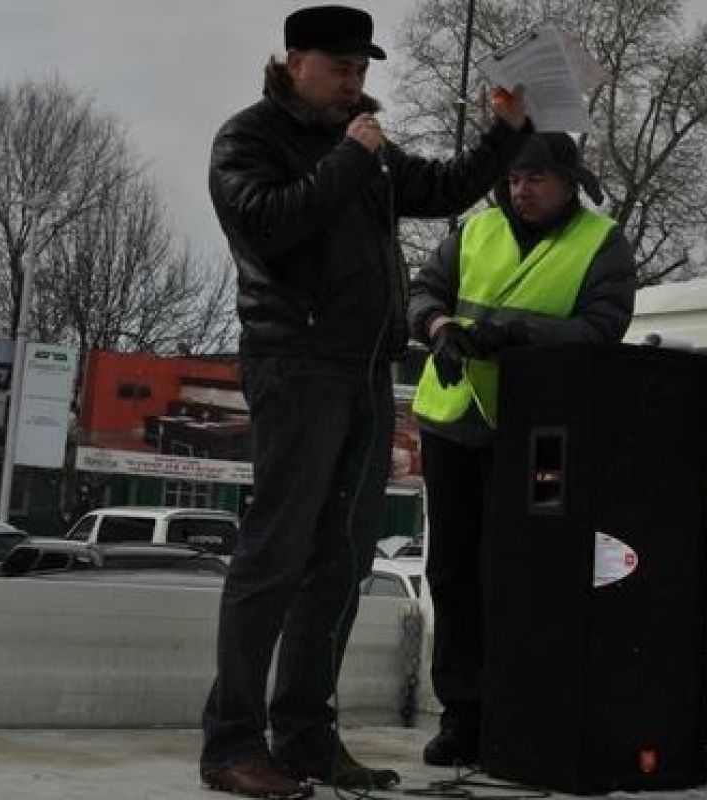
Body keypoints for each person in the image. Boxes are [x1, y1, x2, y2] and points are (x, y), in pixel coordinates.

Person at [200, 5, 530, 798]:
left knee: (342, 563)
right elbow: (267, 227)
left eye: (363, 70)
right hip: (294, 362)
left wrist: (505, 134)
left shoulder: (368, 148)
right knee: (274, 556)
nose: (356, 82)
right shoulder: (249, 140)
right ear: (293, 61)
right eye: (341, 67)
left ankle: (309, 738)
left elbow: (446, 187)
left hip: (364, 370)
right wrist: (350, 160)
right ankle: (231, 745)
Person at [408, 132, 637, 766]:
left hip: (534, 434)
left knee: (515, 579)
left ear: (568, 181)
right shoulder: (475, 231)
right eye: (513, 180)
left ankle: (514, 713)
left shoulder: (602, 243)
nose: (521, 191)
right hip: (454, 425)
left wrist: (518, 334)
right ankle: (463, 716)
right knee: (452, 575)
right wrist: (439, 329)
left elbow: (601, 327)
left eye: (534, 179)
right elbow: (424, 291)